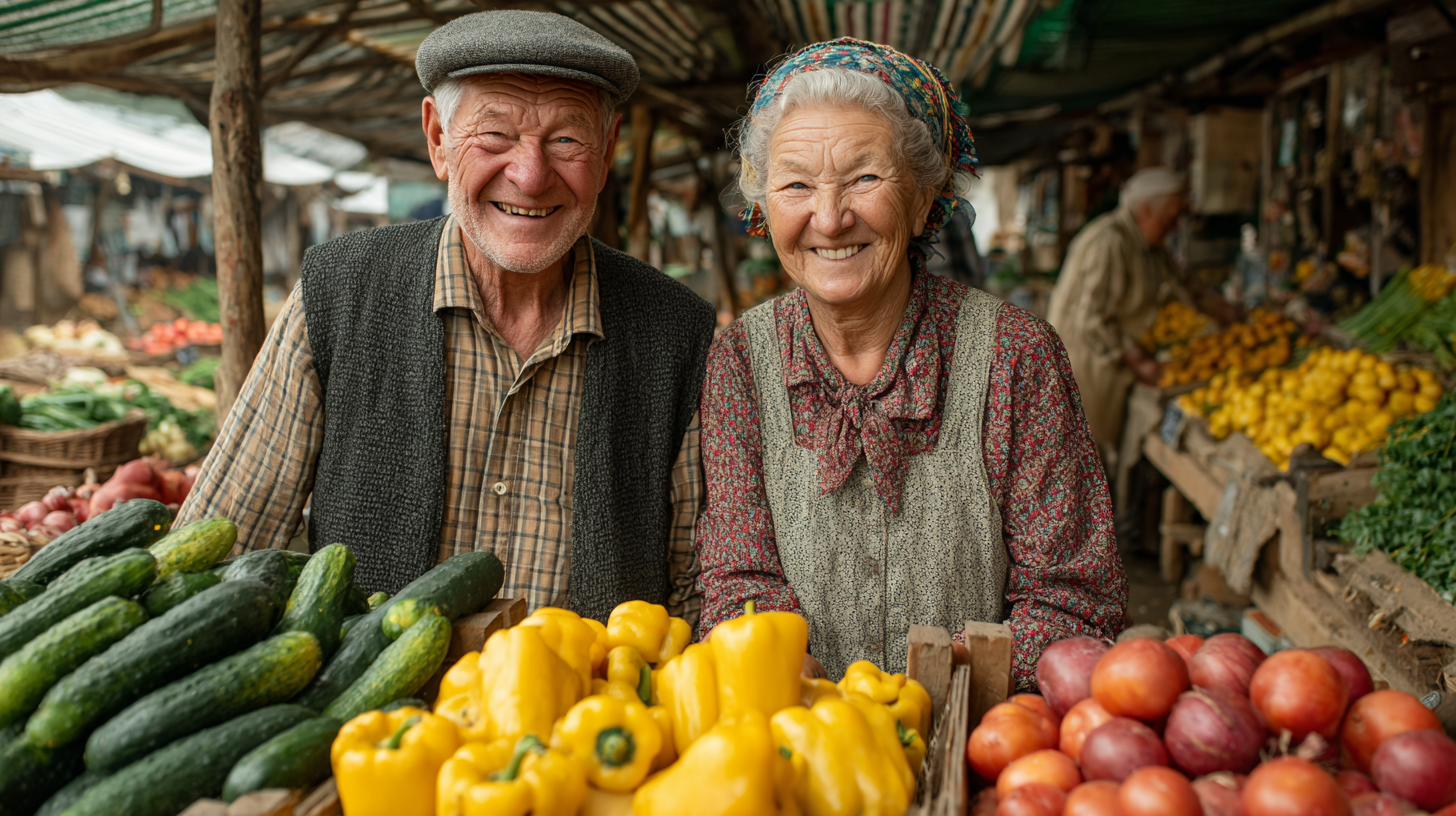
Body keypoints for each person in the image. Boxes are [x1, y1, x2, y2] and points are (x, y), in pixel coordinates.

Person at [176, 11, 717, 627]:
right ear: (437, 138)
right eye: (495, 136)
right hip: (374, 720)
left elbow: (696, 591)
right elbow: (220, 548)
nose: (531, 175)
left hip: (589, 717)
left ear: (609, 150)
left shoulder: (677, 334)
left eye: (566, 139)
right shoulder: (343, 293)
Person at [695, 39, 1127, 687]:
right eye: (795, 184)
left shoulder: (1015, 354)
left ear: (925, 199)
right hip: (799, 747)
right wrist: (791, 681)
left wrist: (945, 682)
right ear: (764, 206)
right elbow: (738, 577)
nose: (830, 217)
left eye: (865, 177)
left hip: (984, 746)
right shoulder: (740, 360)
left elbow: (1074, 597)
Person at [1046, 168, 1188, 469]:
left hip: (1112, 363)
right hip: (1088, 365)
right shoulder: (1109, 241)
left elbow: (1183, 286)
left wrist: (1230, 312)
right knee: (1083, 465)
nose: (1176, 225)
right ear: (1147, 210)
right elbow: (1091, 321)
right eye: (1172, 216)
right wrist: (1139, 361)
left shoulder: (1148, 244)